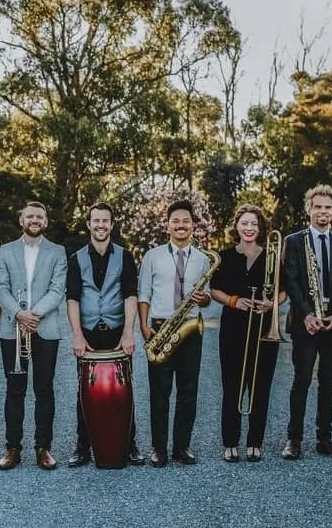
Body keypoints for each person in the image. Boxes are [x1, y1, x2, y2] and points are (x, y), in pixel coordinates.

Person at [66, 203, 145, 468]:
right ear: (89, 224)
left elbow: (130, 295)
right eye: (96, 221)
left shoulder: (124, 256)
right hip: (88, 332)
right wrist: (77, 334)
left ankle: (129, 443)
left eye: (105, 221)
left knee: (125, 389)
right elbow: (73, 299)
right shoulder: (76, 258)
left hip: (116, 331)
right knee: (84, 389)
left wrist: (128, 333)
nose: (100, 225)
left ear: (111, 225)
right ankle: (82, 446)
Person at [281, 184, 332, 460]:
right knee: (301, 381)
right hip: (306, 323)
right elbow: (291, 281)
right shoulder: (294, 241)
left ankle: (325, 439)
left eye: (327, 207)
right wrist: (306, 315)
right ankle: (294, 440)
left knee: (328, 382)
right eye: (318, 207)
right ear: (309, 209)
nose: (322, 212)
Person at [137, 199, 213, 467]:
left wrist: (204, 299)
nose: (181, 225)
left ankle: (182, 446)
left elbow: (207, 299)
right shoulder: (152, 256)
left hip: (191, 327)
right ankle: (159, 449)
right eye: (175, 221)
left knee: (188, 390)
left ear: (193, 225)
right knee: (159, 391)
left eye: (185, 221)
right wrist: (145, 326)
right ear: (167, 225)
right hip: (160, 326)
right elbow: (143, 293)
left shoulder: (203, 259)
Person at [209, 205, 286, 463]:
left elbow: (283, 290)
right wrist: (234, 301)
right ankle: (230, 443)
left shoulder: (272, 256)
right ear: (237, 226)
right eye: (244, 223)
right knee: (232, 386)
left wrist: (272, 303)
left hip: (264, 328)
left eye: (254, 224)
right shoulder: (225, 256)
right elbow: (214, 290)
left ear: (260, 227)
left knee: (260, 387)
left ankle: (255, 443)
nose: (249, 228)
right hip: (233, 328)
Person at [0, 201, 67, 471]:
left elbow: (58, 290)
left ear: (45, 222)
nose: (34, 220)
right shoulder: (6, 250)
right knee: (15, 390)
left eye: (39, 216)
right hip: (13, 328)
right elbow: (0, 288)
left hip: (45, 328)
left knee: (44, 390)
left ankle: (43, 447)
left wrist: (34, 315)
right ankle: (13, 447)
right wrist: (18, 314)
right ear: (22, 220)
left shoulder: (58, 252)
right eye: (30, 216)